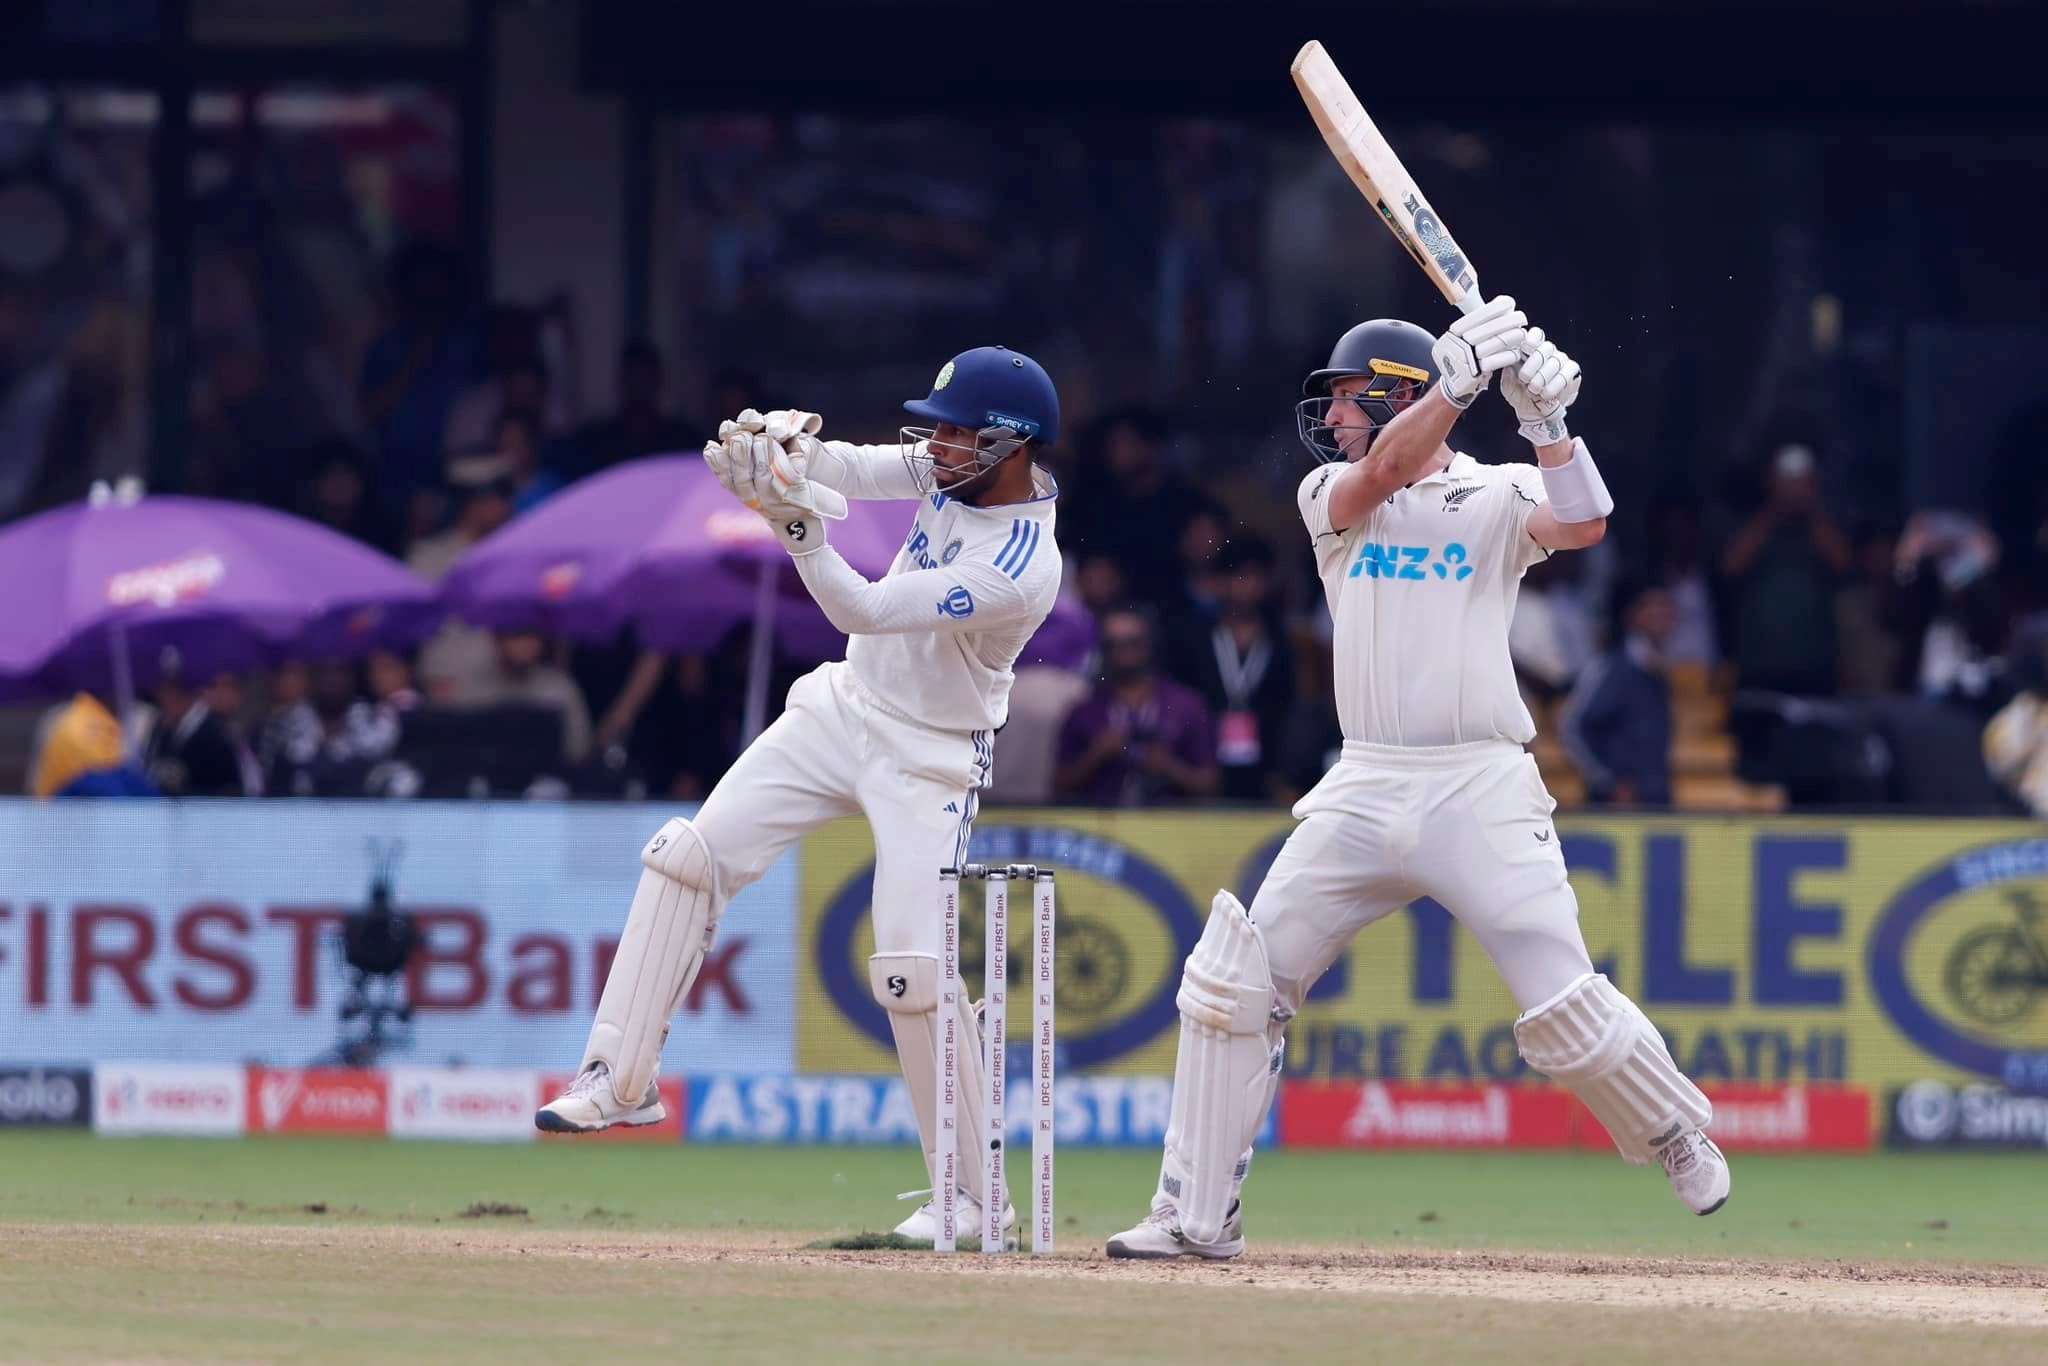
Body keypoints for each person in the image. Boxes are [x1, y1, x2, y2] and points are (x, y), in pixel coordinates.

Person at [1107, 299, 1729, 1261]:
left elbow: (1587, 523)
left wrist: (1549, 422)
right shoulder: (1332, 496)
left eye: (1353, 400)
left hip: (1478, 783)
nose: (1337, 420)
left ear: (1395, 393)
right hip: (1362, 784)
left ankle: (1673, 1130)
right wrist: (1459, 382)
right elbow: (1387, 469)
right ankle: (1194, 1215)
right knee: (1236, 982)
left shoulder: (1493, 494)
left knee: (1562, 1003)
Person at [536, 346, 1065, 1251]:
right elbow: (851, 465)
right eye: (932, 427)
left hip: (930, 758)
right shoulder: (953, 469)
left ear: (1012, 446)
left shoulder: (1021, 563)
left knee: (911, 973)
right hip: (842, 707)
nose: (934, 446)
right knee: (687, 859)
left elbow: (861, 605)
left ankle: (977, 1203)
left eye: (954, 431)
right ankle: (618, 1079)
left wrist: (796, 528)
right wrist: (781, 449)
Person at [1558, 582, 1677, 807]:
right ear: (1633, 615)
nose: (1661, 615)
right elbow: (1573, 728)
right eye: (1652, 607)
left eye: (1666, 606)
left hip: (1657, 802)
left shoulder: (1661, 674)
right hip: (1614, 808)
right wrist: (1610, 783)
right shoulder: (1609, 668)